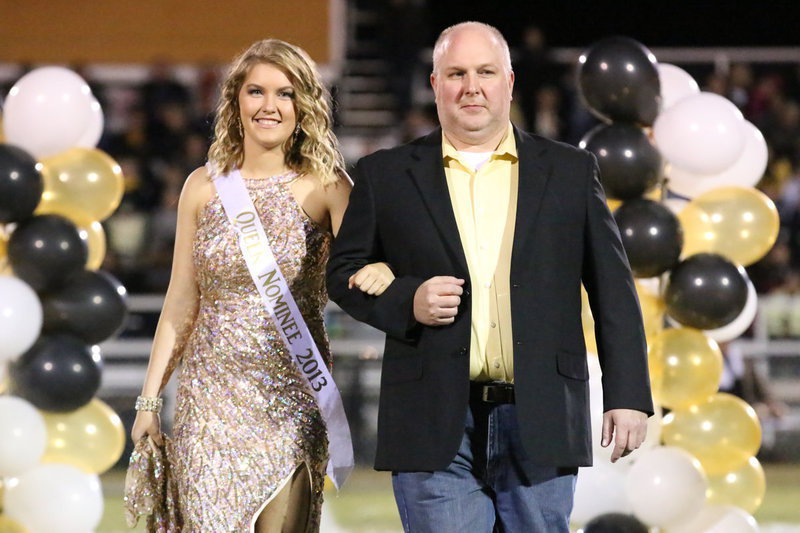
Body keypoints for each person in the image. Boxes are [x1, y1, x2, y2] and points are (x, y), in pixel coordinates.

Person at [327, 22, 653, 532]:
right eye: (456, 73)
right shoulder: (384, 175)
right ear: (435, 84)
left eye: (485, 72)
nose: (471, 86)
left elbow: (613, 289)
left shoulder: (570, 171)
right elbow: (343, 272)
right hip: (432, 419)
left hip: (541, 415)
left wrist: (628, 394)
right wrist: (407, 300)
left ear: (509, 81)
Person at [128, 39, 377, 533]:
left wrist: (385, 269)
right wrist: (149, 400)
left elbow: (368, 265)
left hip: (291, 398)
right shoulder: (201, 185)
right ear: (235, 101)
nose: (269, 106)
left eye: (285, 93)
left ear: (303, 105)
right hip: (208, 405)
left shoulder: (328, 186)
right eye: (256, 91)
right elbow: (181, 301)